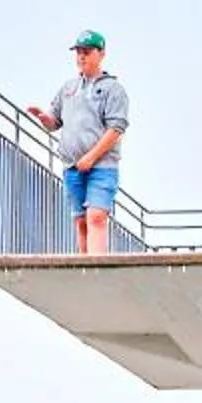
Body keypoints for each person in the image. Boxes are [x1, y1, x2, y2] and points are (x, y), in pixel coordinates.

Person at [30, 32, 129, 254]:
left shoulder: (113, 89)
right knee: (81, 221)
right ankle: (85, 264)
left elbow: (116, 129)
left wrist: (91, 157)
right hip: (72, 166)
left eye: (87, 52)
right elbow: (55, 121)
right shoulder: (68, 88)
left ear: (101, 54)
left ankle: (97, 266)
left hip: (102, 167)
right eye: (79, 53)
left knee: (96, 216)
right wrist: (44, 118)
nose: (82, 57)